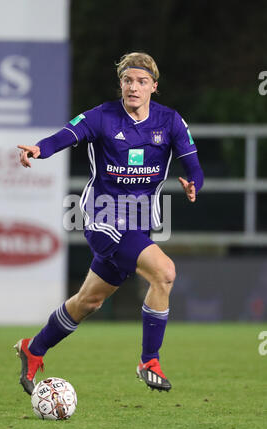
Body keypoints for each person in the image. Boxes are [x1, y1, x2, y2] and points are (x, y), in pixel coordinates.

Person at [15, 52, 204, 395]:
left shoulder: (171, 122)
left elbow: (194, 167)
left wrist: (194, 184)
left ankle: (34, 348)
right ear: (121, 84)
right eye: (128, 81)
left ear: (153, 87)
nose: (133, 87)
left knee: (89, 301)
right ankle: (149, 360)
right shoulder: (102, 116)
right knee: (165, 272)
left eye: (141, 81)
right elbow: (65, 136)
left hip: (139, 223)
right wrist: (39, 149)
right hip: (103, 217)